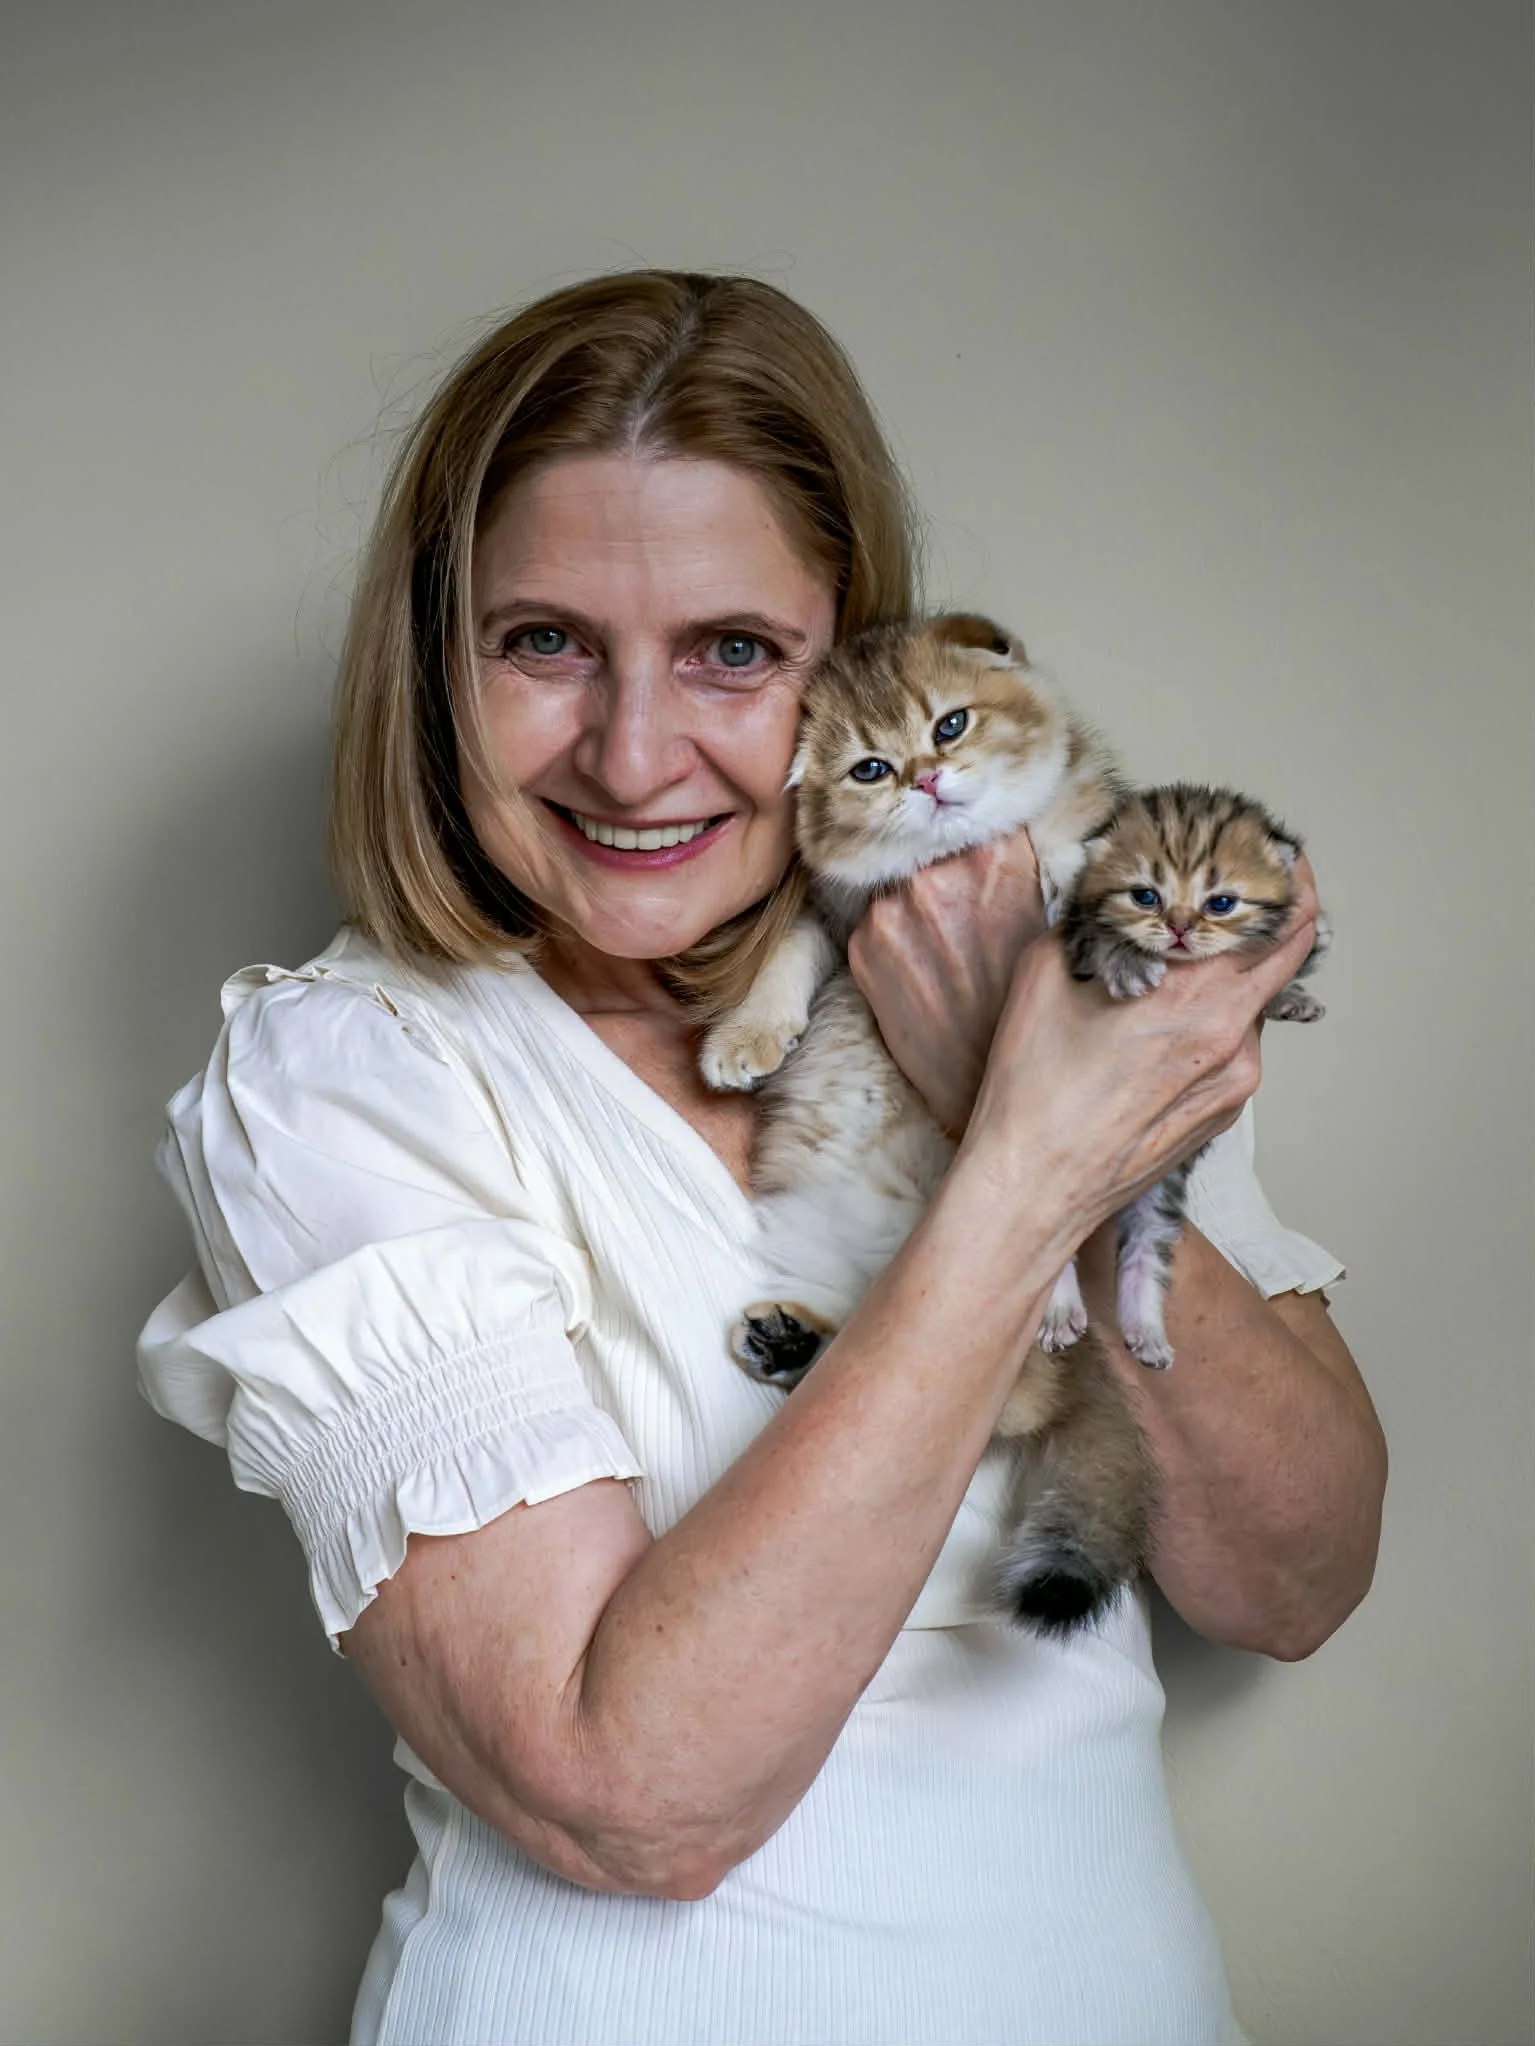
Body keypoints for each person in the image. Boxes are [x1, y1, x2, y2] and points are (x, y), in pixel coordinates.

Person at [137, 270, 1386, 2046]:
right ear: (438, 667)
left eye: (731, 650)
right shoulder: (345, 1075)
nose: (634, 754)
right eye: (544, 641)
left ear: (855, 665)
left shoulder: (1040, 956)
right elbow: (628, 1796)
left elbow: (1292, 1579)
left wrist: (1020, 1080)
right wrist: (1019, 1152)